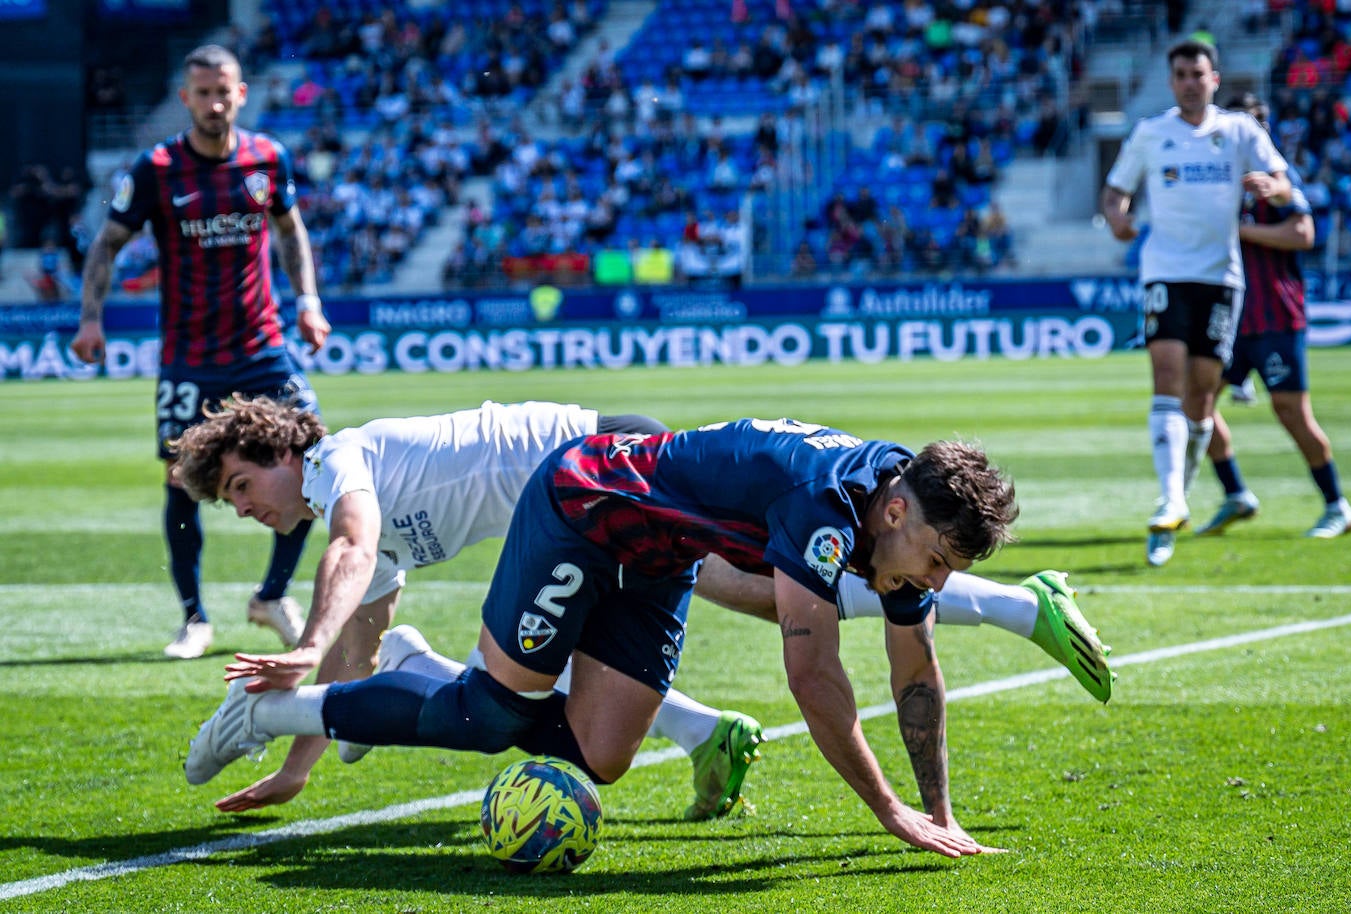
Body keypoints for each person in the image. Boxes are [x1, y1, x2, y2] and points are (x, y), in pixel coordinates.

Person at [186, 415, 1111, 855]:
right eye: (940, 559)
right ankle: (269, 714)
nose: (937, 581)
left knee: (601, 753)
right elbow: (816, 678)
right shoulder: (825, 508)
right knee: (497, 713)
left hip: (662, 550)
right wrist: (889, 815)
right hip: (582, 506)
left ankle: (401, 676)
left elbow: (915, 672)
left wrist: (940, 809)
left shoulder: (894, 519)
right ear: (900, 508)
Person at [172, 397, 765, 820]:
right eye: (231, 502)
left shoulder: (334, 460)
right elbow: (358, 654)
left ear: (280, 451)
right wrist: (298, 769)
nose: (244, 510)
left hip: (601, 469)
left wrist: (304, 650)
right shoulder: (360, 504)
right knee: (600, 750)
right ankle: (705, 730)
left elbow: (350, 547)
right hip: (596, 497)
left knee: (494, 707)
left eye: (241, 486)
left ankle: (413, 672)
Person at [70, 45, 332, 659]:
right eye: (203, 93)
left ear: (242, 93)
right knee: (181, 484)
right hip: (189, 359)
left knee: (317, 459)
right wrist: (90, 320)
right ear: (185, 99)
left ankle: (271, 595)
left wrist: (309, 300)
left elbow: (290, 230)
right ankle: (194, 619)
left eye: (225, 91)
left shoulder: (268, 158)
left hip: (263, 348)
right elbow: (106, 245)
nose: (215, 104)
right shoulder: (157, 168)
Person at [1100, 39, 1292, 567]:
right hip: (1165, 272)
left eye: (1197, 73)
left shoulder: (1238, 131)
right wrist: (1118, 217)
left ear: (1214, 78)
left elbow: (1281, 182)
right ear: (1172, 81)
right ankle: (1170, 499)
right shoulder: (1151, 133)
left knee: (1203, 399)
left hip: (1222, 279)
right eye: (1180, 73)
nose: (1189, 81)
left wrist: (1270, 187)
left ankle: (1176, 496)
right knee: (1168, 377)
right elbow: (1116, 190)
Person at [1196, 95, 1351, 539]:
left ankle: (1336, 505)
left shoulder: (1280, 180)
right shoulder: (1216, 181)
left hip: (1274, 316)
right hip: (1226, 318)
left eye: (1260, 123)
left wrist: (1241, 230)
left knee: (1291, 412)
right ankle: (1236, 494)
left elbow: (1304, 234)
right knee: (1196, 409)